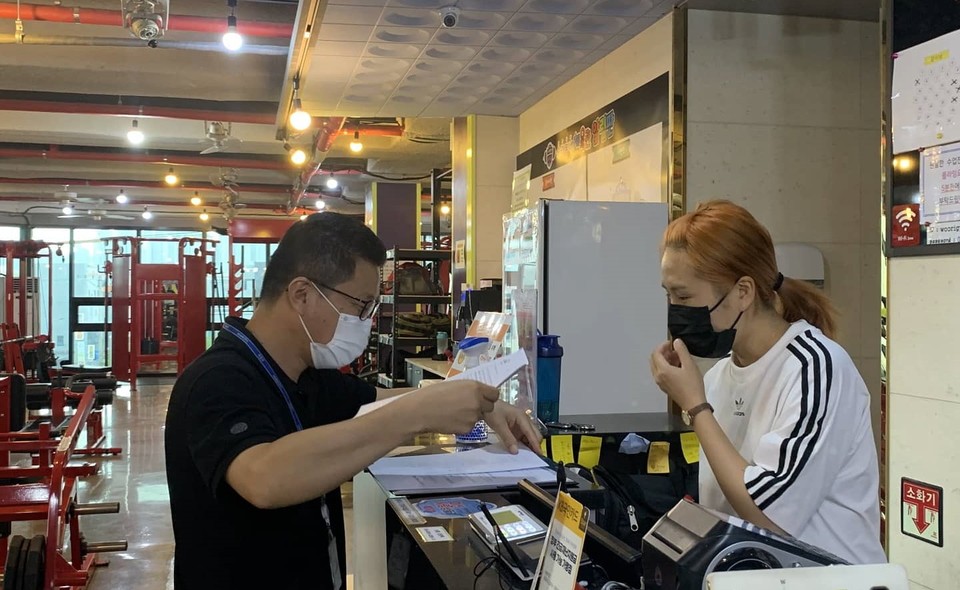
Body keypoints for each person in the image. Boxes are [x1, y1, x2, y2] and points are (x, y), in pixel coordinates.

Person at [164, 212, 541, 589]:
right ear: (302, 294)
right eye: (361, 305)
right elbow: (264, 478)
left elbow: (382, 401)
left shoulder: (308, 377)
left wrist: (479, 399)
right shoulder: (219, 379)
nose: (366, 321)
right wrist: (415, 414)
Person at [649, 200, 885, 565]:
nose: (675, 309)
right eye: (668, 295)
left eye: (683, 296)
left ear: (743, 291)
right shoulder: (718, 377)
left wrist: (696, 407)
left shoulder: (815, 368)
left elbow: (770, 515)